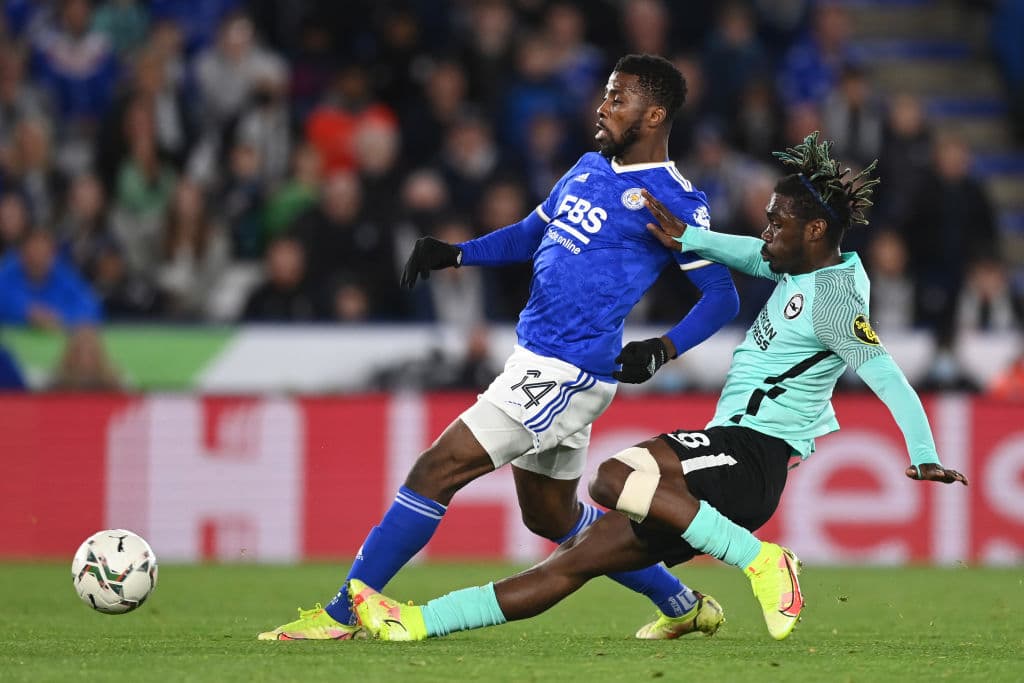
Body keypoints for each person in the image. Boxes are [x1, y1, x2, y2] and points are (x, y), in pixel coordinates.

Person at [347, 132, 969, 644]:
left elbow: (887, 376)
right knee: (573, 560)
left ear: (813, 230)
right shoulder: (797, 263)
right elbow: (744, 252)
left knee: (612, 478)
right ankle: (417, 624)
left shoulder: (835, 299)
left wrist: (923, 454)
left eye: (776, 222)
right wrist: (689, 239)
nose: (766, 231)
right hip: (730, 456)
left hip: (751, 455)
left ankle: (760, 559)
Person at [258, 54, 740, 641]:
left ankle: (341, 615)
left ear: (655, 114)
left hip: (568, 370)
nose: (603, 107)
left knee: (437, 468)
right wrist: (458, 253)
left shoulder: (675, 199)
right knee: (550, 516)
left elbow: (722, 296)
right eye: (605, 95)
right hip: (534, 356)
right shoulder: (588, 167)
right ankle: (682, 603)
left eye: (618, 99)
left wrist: (663, 348)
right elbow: (531, 234)